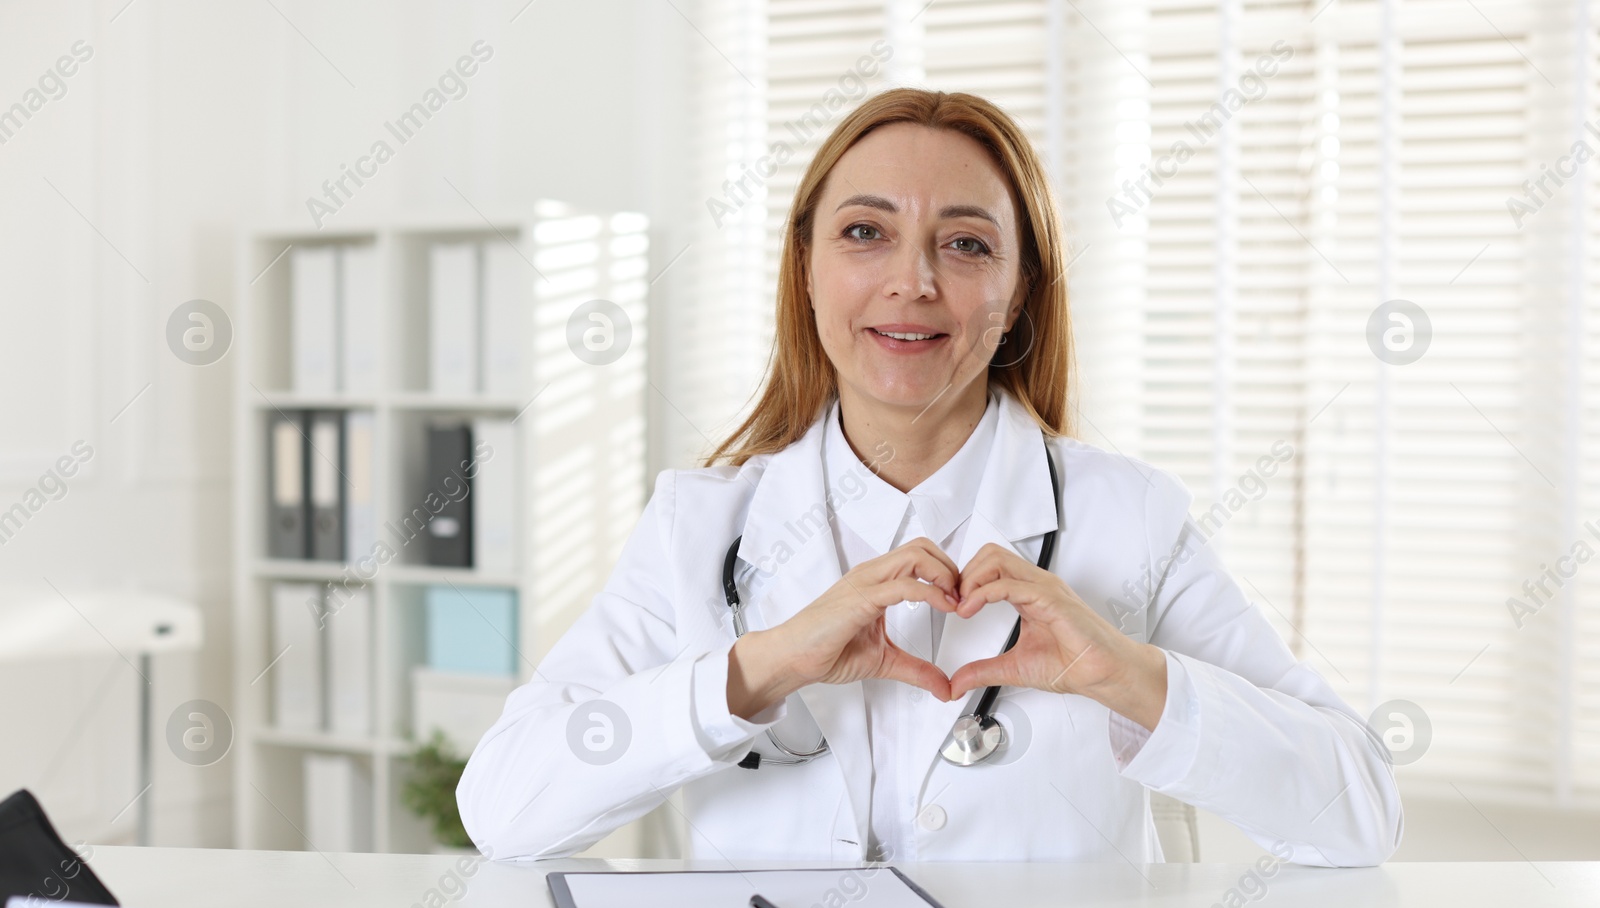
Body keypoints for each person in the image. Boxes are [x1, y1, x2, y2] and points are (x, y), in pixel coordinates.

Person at [456, 88, 1402, 867]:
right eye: (865, 232)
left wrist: (1131, 677)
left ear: (1020, 286)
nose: (911, 281)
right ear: (808, 269)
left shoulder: (1129, 520)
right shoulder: (700, 528)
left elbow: (1359, 815)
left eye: (966, 243)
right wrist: (760, 668)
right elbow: (504, 808)